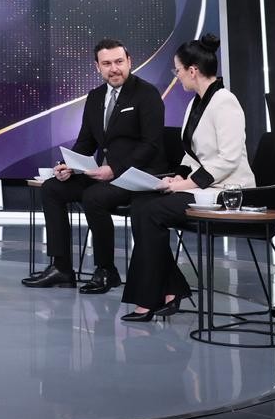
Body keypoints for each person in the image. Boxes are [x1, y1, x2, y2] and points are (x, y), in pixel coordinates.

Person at [119, 33, 255, 321]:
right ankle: (170, 289)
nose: (177, 75)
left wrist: (186, 184)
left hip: (230, 193)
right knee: (141, 205)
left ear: (192, 71)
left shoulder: (225, 102)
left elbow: (228, 159)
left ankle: (152, 298)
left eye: (178, 70)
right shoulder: (197, 103)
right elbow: (192, 154)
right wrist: (176, 178)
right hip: (205, 188)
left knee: (151, 211)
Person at [24, 39, 166, 293]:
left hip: (137, 176)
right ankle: (61, 268)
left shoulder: (147, 94)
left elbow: (151, 145)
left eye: (119, 62)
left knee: (94, 197)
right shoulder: (95, 96)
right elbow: (86, 142)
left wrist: (115, 169)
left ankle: (106, 270)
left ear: (129, 62)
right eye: (107, 63)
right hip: (104, 175)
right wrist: (68, 165)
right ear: (97, 67)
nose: (114, 69)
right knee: (52, 188)